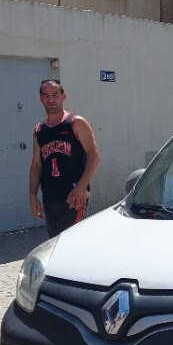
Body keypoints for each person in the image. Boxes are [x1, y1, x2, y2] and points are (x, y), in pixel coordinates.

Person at [29, 79, 101, 237]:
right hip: (49, 196)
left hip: (73, 196)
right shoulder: (39, 130)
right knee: (55, 242)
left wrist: (82, 187)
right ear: (41, 99)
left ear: (63, 97)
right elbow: (36, 165)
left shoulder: (76, 123)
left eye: (55, 94)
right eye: (46, 95)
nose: (50, 99)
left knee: (70, 242)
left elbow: (94, 154)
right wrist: (32, 195)